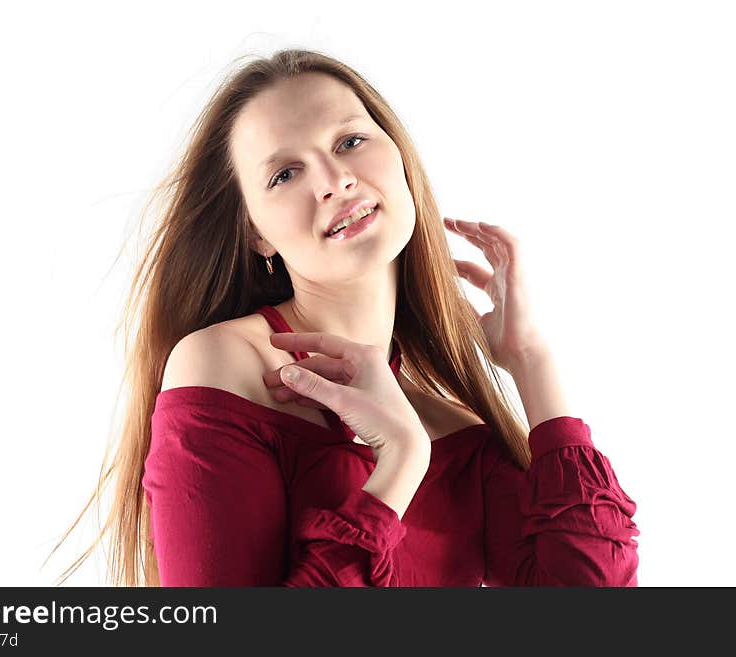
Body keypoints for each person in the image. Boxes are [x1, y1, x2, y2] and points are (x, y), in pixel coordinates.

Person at [47, 48, 639, 587]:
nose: (336, 181)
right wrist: (399, 463)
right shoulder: (225, 365)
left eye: (350, 141)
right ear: (255, 233)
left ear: (400, 154)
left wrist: (532, 361)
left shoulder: (455, 430)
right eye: (285, 174)